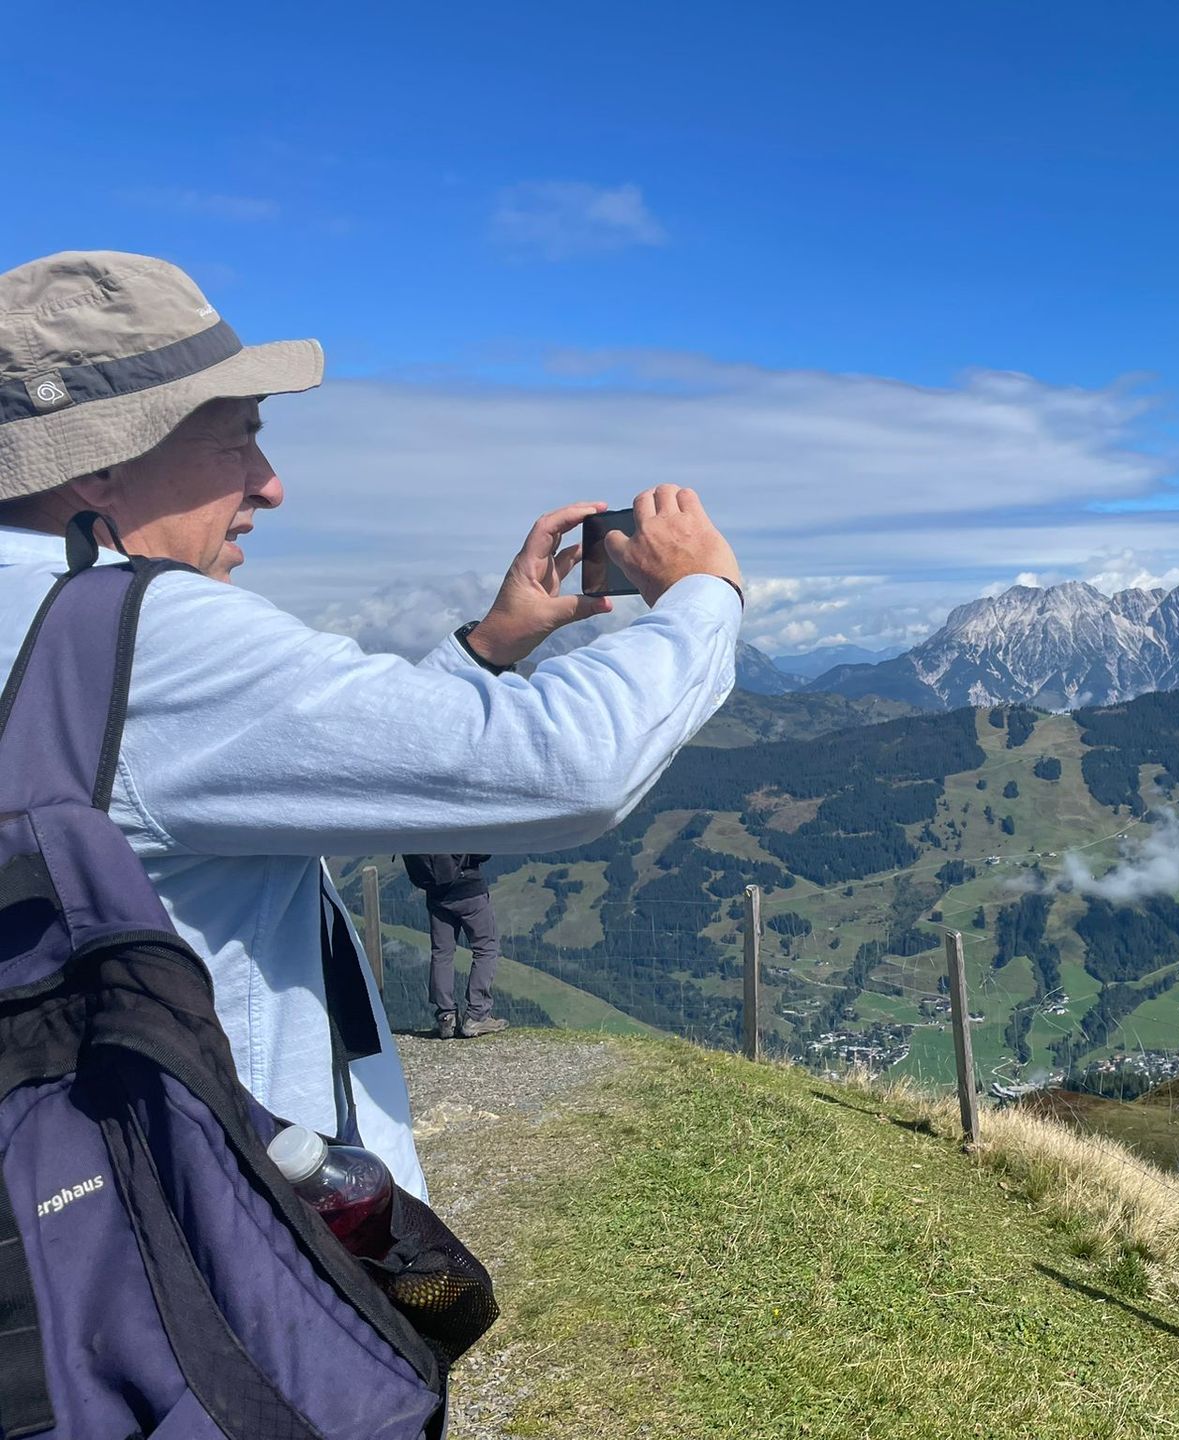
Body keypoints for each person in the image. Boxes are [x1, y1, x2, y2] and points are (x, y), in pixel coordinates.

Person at [0, 251, 744, 1199]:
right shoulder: (137, 632)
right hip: (241, 1219)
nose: (270, 485)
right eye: (238, 440)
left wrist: (486, 649)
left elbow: (297, 764)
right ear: (102, 462)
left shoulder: (37, 624)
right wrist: (704, 595)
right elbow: (571, 765)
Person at [403, 852, 505, 1038]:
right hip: (469, 888)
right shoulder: (454, 830)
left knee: (442, 953)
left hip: (436, 891)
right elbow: (481, 853)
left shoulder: (421, 831)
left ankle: (446, 1016)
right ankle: (477, 1015)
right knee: (486, 949)